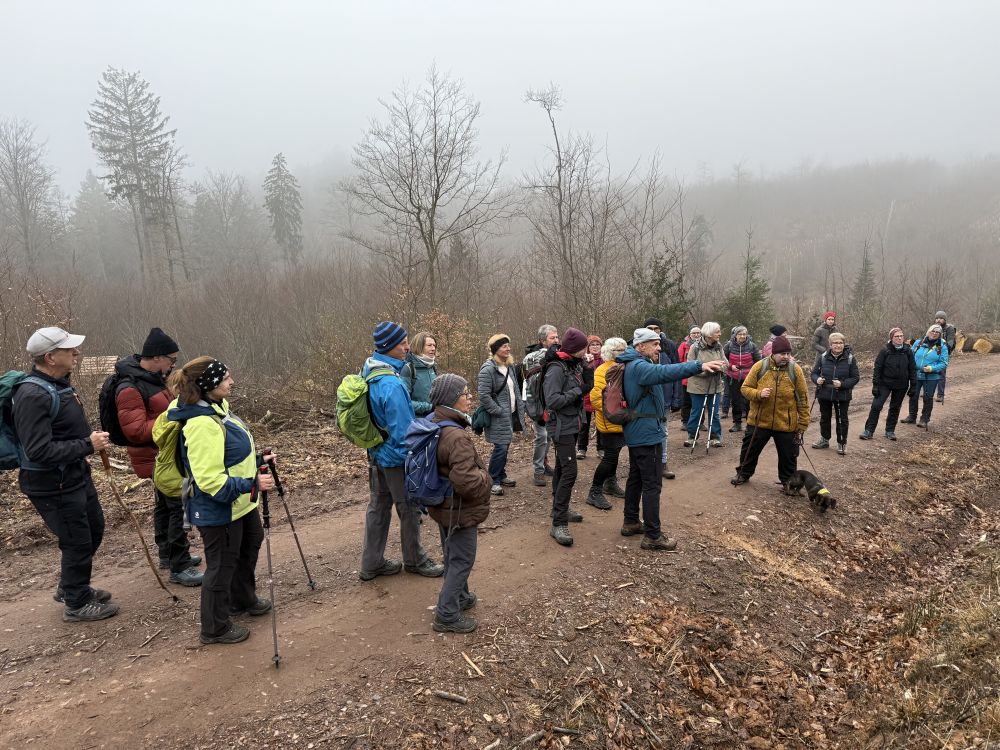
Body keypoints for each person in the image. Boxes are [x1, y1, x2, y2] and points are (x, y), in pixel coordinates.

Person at [12, 327, 118, 622]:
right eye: (69, 349)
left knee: (94, 529)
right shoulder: (32, 395)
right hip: (52, 484)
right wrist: (87, 444)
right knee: (77, 541)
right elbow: (38, 450)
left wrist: (84, 446)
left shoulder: (58, 385)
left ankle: (71, 586)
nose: (77, 353)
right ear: (50, 357)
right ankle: (77, 602)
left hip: (73, 474)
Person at [167, 358, 273, 645]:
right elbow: (209, 480)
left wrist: (257, 460)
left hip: (240, 502)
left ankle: (242, 599)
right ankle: (214, 627)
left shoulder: (218, 408)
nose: (232, 382)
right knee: (222, 564)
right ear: (208, 384)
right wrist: (251, 483)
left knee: (249, 544)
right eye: (226, 378)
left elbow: (229, 456)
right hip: (219, 507)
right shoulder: (202, 424)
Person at [617, 328, 724, 550]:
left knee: (636, 478)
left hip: (640, 430)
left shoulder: (633, 363)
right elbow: (666, 372)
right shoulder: (639, 366)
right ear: (641, 346)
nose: (659, 348)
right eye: (655, 344)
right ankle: (653, 536)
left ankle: (631, 521)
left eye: (659, 344)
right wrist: (698, 365)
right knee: (652, 484)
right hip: (646, 433)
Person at [114, 327, 202, 586]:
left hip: (165, 455)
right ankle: (179, 565)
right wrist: (176, 417)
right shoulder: (130, 387)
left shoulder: (151, 379)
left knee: (165, 507)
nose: (174, 365)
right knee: (178, 508)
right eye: (171, 359)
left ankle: (167, 554)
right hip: (157, 458)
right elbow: (136, 431)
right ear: (156, 357)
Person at [359, 322, 444, 581]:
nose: (408, 347)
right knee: (409, 508)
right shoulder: (391, 384)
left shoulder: (370, 369)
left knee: (378, 506)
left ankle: (371, 564)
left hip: (376, 452)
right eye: (403, 343)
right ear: (389, 346)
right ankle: (415, 560)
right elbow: (404, 432)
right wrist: (413, 459)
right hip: (396, 458)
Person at [425, 374, 492, 634]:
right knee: (462, 559)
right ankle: (446, 614)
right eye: (465, 393)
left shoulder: (434, 421)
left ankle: (461, 597)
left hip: (442, 505)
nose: (470, 397)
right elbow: (466, 482)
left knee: (452, 553)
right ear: (451, 399)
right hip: (459, 509)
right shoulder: (455, 436)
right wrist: (486, 478)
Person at [732, 335, 810, 489]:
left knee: (789, 456)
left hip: (786, 423)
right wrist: (758, 394)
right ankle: (743, 473)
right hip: (759, 420)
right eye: (782, 353)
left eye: (788, 353)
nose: (786, 357)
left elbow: (803, 398)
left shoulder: (795, 370)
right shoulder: (760, 367)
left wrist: (803, 422)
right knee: (749, 450)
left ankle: (788, 482)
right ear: (773, 353)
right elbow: (745, 389)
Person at [542, 327, 590, 547]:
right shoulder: (556, 368)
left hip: (571, 424)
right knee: (570, 471)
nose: (585, 352)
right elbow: (553, 400)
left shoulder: (572, 364)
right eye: (583, 348)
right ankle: (558, 523)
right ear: (574, 348)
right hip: (560, 427)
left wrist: (587, 368)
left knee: (562, 468)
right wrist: (577, 391)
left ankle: (559, 509)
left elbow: (586, 386)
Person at [477, 334, 524, 496]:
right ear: (496, 349)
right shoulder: (488, 369)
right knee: (501, 447)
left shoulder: (509, 366)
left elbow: (515, 388)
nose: (508, 349)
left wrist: (519, 407)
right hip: (498, 416)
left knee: (506, 445)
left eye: (508, 345)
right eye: (504, 346)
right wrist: (498, 410)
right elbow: (484, 396)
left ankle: (501, 474)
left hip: (510, 414)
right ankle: (493, 479)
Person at [585, 337, 628, 510]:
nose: (624, 352)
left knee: (615, 455)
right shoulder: (602, 370)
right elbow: (595, 398)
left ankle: (610, 483)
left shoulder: (623, 367)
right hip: (609, 422)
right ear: (611, 352)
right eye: (620, 350)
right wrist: (613, 412)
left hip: (622, 420)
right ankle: (594, 491)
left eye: (625, 348)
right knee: (609, 457)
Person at [860, 327, 916, 441]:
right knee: (876, 406)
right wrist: (875, 385)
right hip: (885, 383)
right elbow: (878, 368)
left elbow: (912, 369)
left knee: (895, 407)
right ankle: (869, 430)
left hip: (901, 384)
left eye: (901, 336)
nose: (899, 338)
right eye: (897, 336)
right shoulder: (885, 350)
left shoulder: (908, 351)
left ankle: (890, 431)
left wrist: (913, 385)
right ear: (891, 338)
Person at [810, 332, 860, 455]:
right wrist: (817, 379)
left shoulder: (850, 358)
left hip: (842, 394)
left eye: (840, 343)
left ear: (844, 344)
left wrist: (842, 384)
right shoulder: (823, 357)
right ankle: (824, 439)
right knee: (824, 418)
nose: (838, 345)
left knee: (842, 419)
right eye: (835, 343)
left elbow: (855, 377)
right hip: (824, 392)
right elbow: (814, 373)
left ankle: (842, 443)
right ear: (830, 344)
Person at [644, 318, 682, 478]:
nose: (653, 331)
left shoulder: (669, 346)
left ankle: (662, 463)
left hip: (665, 397)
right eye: (650, 328)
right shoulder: (639, 346)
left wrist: (676, 398)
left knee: (663, 431)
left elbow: (677, 371)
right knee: (646, 430)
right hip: (644, 398)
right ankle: (646, 465)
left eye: (656, 328)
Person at [522, 325, 559, 486]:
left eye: (557, 337)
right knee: (542, 436)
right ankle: (538, 470)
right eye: (552, 338)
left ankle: (544, 464)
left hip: (551, 402)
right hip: (536, 403)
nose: (556, 340)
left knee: (548, 435)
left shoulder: (557, 354)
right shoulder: (532, 357)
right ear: (543, 340)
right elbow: (527, 383)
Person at [684, 322, 727, 448]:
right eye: (717, 332)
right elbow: (689, 366)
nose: (719, 334)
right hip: (698, 386)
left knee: (714, 413)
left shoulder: (719, 346)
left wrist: (720, 368)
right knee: (696, 412)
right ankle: (692, 436)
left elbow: (725, 363)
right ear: (709, 334)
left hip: (715, 385)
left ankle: (715, 437)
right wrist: (706, 370)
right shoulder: (695, 347)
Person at [901, 324, 949, 428]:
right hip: (916, 374)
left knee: (927, 398)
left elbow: (944, 363)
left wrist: (932, 368)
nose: (934, 333)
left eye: (937, 332)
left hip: (931, 377)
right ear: (928, 332)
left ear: (940, 334)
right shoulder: (918, 343)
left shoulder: (942, 347)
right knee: (913, 395)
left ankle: (924, 419)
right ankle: (912, 417)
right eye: (933, 331)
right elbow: (910, 356)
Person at [722, 325, 761, 433]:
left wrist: (753, 372)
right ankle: (737, 423)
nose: (743, 336)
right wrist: (731, 366)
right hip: (733, 377)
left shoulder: (752, 346)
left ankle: (750, 424)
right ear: (735, 335)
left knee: (748, 400)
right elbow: (723, 360)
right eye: (740, 334)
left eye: (744, 334)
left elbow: (758, 361)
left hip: (749, 377)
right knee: (735, 400)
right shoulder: (729, 346)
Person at [577, 335, 603, 460]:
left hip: (601, 396)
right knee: (584, 424)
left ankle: (601, 448)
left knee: (601, 424)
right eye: (592, 344)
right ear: (588, 347)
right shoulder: (583, 360)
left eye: (598, 344)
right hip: (586, 396)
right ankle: (581, 449)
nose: (595, 347)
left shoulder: (605, 359)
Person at [400, 331, 438, 417]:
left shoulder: (433, 367)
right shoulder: (409, 369)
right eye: (429, 345)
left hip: (435, 419)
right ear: (419, 347)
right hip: (418, 422)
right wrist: (430, 407)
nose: (433, 348)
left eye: (434, 345)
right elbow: (404, 402)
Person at [677, 325, 701, 425]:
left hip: (701, 379)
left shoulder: (704, 345)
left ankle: (700, 422)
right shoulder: (684, 345)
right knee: (686, 402)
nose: (696, 335)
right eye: (694, 333)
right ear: (689, 334)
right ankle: (685, 422)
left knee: (699, 402)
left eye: (698, 333)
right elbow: (679, 360)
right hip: (687, 379)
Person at [932, 312, 956, 403]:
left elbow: (950, 341)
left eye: (940, 318)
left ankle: (940, 395)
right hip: (932, 353)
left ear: (944, 319)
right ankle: (928, 392)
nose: (938, 320)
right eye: (937, 318)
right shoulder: (933, 328)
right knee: (930, 372)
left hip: (943, 353)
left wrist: (944, 349)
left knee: (941, 373)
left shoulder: (949, 328)